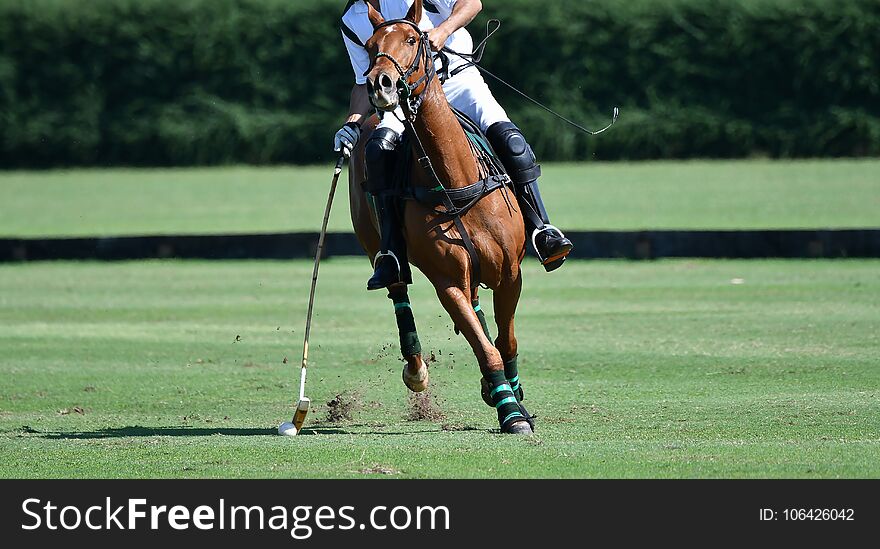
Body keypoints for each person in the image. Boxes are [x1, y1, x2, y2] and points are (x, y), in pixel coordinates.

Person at [334, 0, 572, 290]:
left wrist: (444, 30)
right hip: (405, 100)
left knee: (512, 142)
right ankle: (392, 253)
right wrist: (352, 124)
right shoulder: (353, 18)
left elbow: (472, 3)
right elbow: (363, 82)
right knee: (377, 151)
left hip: (458, 82)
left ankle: (542, 230)